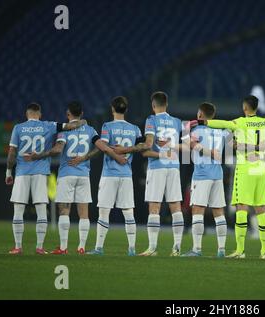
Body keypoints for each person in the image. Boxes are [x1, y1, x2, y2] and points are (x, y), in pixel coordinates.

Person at [190, 95, 265, 259]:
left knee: (241, 208)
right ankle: (264, 251)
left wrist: (202, 122)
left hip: (245, 169)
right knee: (261, 209)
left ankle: (240, 250)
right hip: (261, 170)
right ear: (256, 108)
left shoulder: (239, 122)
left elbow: (221, 123)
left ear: (245, 108)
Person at [24, 101, 127, 254]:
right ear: (82, 114)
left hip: (67, 174)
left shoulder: (65, 130)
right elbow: (102, 148)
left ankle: (64, 248)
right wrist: (87, 158)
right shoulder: (91, 130)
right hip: (84, 175)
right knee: (83, 213)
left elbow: (58, 149)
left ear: (68, 114)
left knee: (64, 211)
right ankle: (81, 247)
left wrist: (38, 155)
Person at [6, 102, 86, 254]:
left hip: (22, 172)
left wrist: (9, 172)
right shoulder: (48, 125)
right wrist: (82, 121)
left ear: (27, 114)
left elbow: (11, 153)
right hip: (40, 172)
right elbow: (70, 127)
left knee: (18, 209)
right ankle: (40, 247)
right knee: (41, 210)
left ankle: (18, 247)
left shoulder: (18, 128)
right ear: (40, 114)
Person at [114, 92, 186, 257]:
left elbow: (147, 145)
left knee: (154, 207)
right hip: (174, 166)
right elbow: (186, 146)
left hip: (157, 167)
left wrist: (125, 149)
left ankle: (152, 248)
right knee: (175, 207)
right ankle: (177, 248)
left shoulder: (151, 120)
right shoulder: (177, 122)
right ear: (166, 104)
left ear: (153, 106)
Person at [87, 96, 149, 256]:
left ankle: (99, 248)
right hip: (127, 174)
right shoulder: (135, 128)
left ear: (112, 109)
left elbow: (105, 147)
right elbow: (143, 146)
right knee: (129, 212)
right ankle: (132, 249)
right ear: (126, 109)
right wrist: (128, 150)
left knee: (104, 211)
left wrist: (118, 156)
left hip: (110, 173)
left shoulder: (107, 126)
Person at [181, 102, 229, 257]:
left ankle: (197, 249)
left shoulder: (195, 129)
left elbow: (187, 140)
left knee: (197, 210)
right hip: (218, 175)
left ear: (200, 114)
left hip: (202, 175)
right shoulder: (221, 132)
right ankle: (221, 250)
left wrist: (206, 151)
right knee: (219, 211)